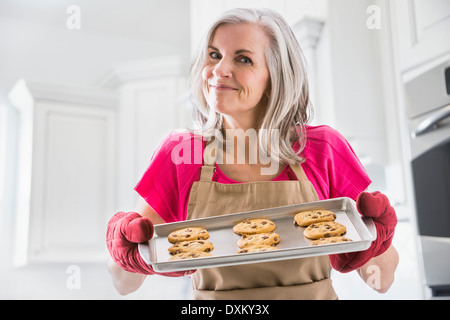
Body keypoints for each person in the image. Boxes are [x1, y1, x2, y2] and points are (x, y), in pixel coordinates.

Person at [106, 8, 398, 299]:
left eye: (243, 59)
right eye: (214, 55)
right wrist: (122, 251)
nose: (219, 71)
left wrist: (378, 239)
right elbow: (124, 284)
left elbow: (380, 280)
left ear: (275, 78)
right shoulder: (182, 153)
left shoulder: (323, 149)